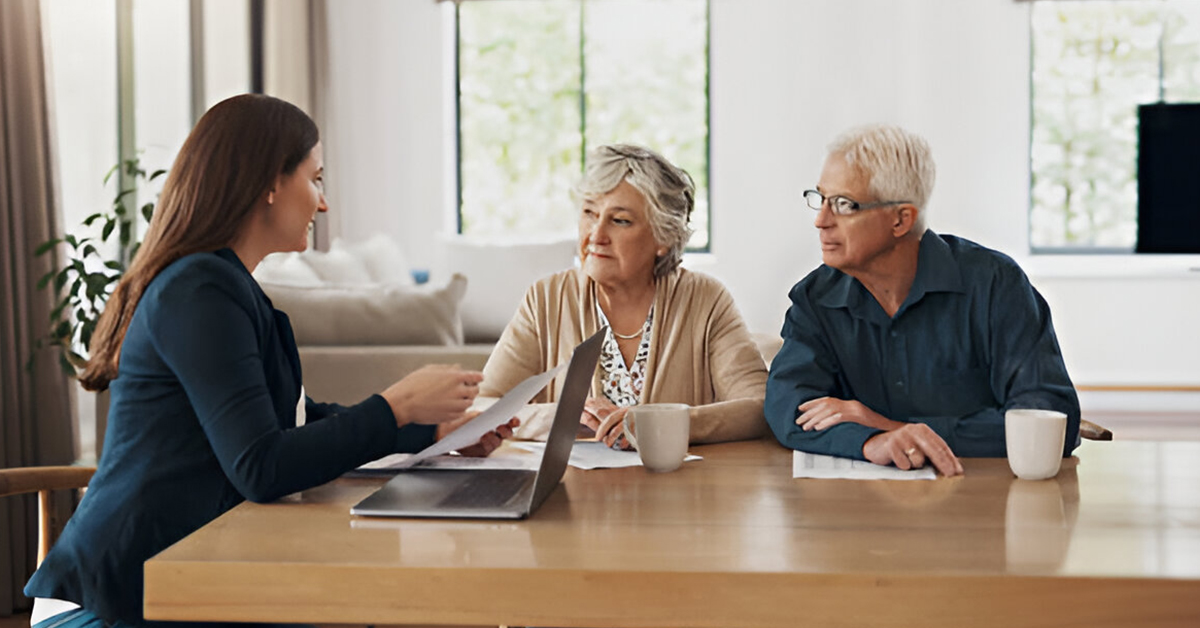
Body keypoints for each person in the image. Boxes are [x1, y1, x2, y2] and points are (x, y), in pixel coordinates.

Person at [24, 94, 515, 628]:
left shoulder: (225, 286)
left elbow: (291, 421)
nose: (323, 203)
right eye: (316, 178)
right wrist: (393, 408)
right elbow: (261, 466)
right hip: (116, 600)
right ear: (270, 183)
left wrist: (428, 431)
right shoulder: (199, 290)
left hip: (178, 574)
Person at [764, 124, 1080, 476]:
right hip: (858, 513)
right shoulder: (815, 299)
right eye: (820, 198)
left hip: (984, 507)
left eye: (843, 204)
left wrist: (889, 425)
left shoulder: (995, 285)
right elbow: (788, 407)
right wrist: (872, 441)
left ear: (901, 220)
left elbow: (1051, 420)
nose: (821, 221)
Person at [480, 144, 767, 448]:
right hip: (574, 491)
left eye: (620, 221)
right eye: (590, 213)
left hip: (677, 489)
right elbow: (481, 407)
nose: (596, 235)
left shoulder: (706, 299)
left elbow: (758, 407)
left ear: (664, 238)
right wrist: (561, 416)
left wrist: (663, 424)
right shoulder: (545, 299)